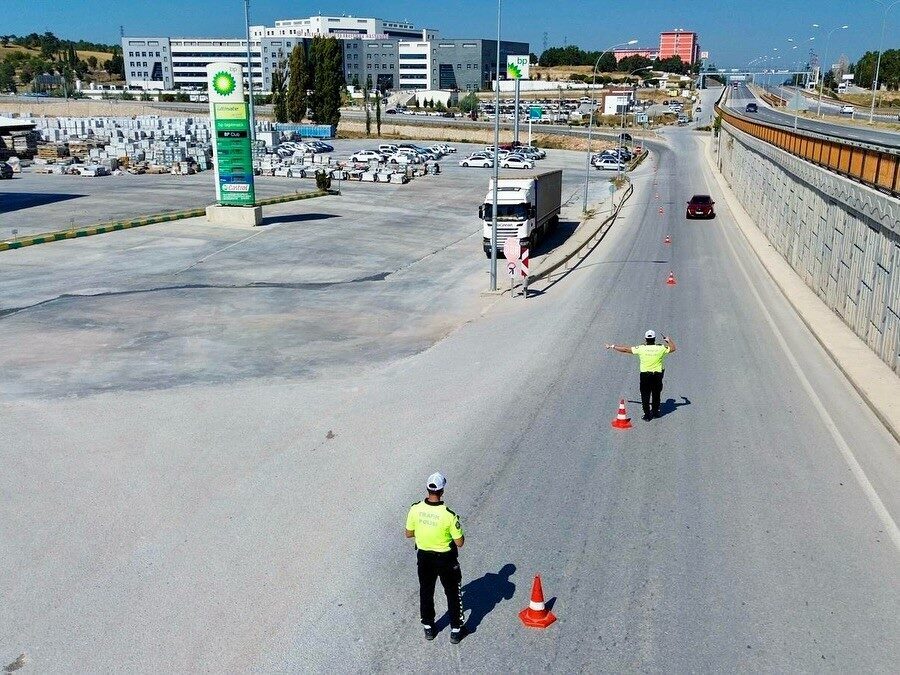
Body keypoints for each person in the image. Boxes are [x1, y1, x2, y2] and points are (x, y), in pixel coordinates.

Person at [405, 472, 466, 644]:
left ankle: (428, 627)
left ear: (427, 489)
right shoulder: (448, 515)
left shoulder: (415, 509)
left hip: (424, 557)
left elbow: (409, 533)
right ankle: (455, 629)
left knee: (426, 591)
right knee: (453, 593)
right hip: (446, 559)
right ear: (442, 491)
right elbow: (459, 542)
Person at [605, 330, 676, 420]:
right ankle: (655, 412)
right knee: (656, 394)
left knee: (645, 395)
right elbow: (673, 348)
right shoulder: (661, 348)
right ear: (654, 339)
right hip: (657, 376)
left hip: (645, 376)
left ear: (646, 339)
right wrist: (668, 340)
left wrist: (612, 346)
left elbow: (626, 350)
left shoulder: (641, 348)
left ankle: (647, 415)